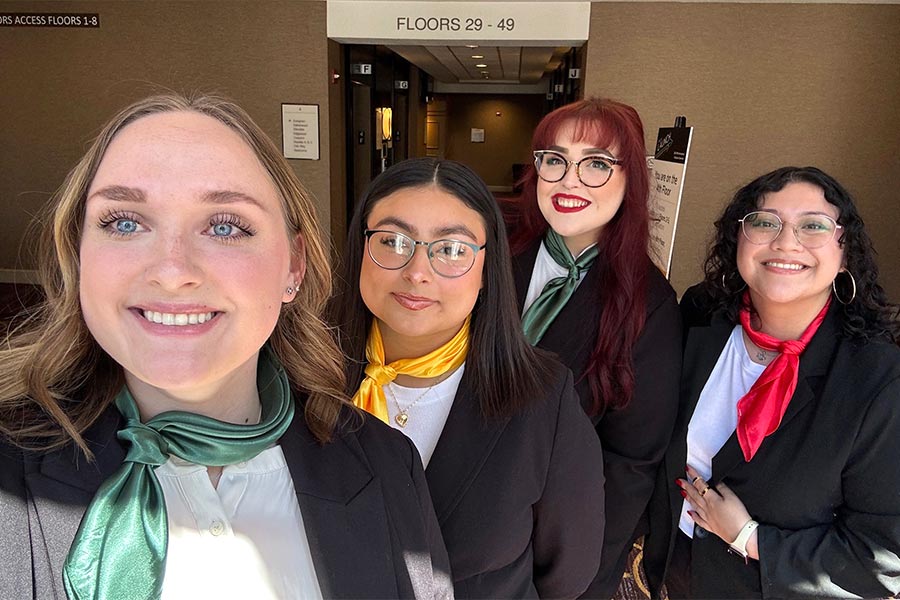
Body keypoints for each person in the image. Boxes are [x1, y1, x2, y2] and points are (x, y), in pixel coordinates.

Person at [0, 93, 453, 600]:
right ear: (77, 254)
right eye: (124, 222)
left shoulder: (389, 464)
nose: (172, 272)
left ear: (294, 266)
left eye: (225, 226)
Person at [330, 157, 606, 599]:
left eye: (452, 249)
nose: (417, 271)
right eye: (393, 241)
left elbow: (567, 572)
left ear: (486, 269)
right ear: (360, 248)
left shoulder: (542, 401)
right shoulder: (305, 375)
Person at [644, 166, 900, 599]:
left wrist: (751, 538)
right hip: (671, 573)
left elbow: (883, 559)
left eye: (813, 226)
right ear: (737, 239)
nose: (785, 242)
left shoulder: (878, 381)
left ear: (845, 253)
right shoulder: (700, 315)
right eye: (764, 222)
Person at [506, 98, 682, 598]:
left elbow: (632, 462)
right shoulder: (492, 257)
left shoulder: (650, 304)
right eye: (555, 159)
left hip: (553, 544)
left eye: (597, 164)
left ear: (632, 181)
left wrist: (575, 573)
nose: (570, 180)